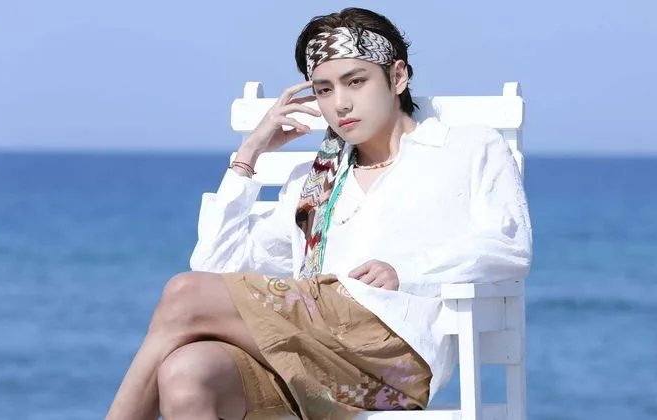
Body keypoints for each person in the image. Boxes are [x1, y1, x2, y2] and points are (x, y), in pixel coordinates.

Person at [105, 7, 532, 420]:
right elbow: (214, 265)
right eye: (324, 89)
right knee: (187, 374)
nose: (340, 103)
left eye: (356, 81)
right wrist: (248, 155)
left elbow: (509, 246)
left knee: (183, 294)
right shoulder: (312, 183)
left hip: (393, 357)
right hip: (312, 359)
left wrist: (406, 270)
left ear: (398, 76)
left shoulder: (465, 149)